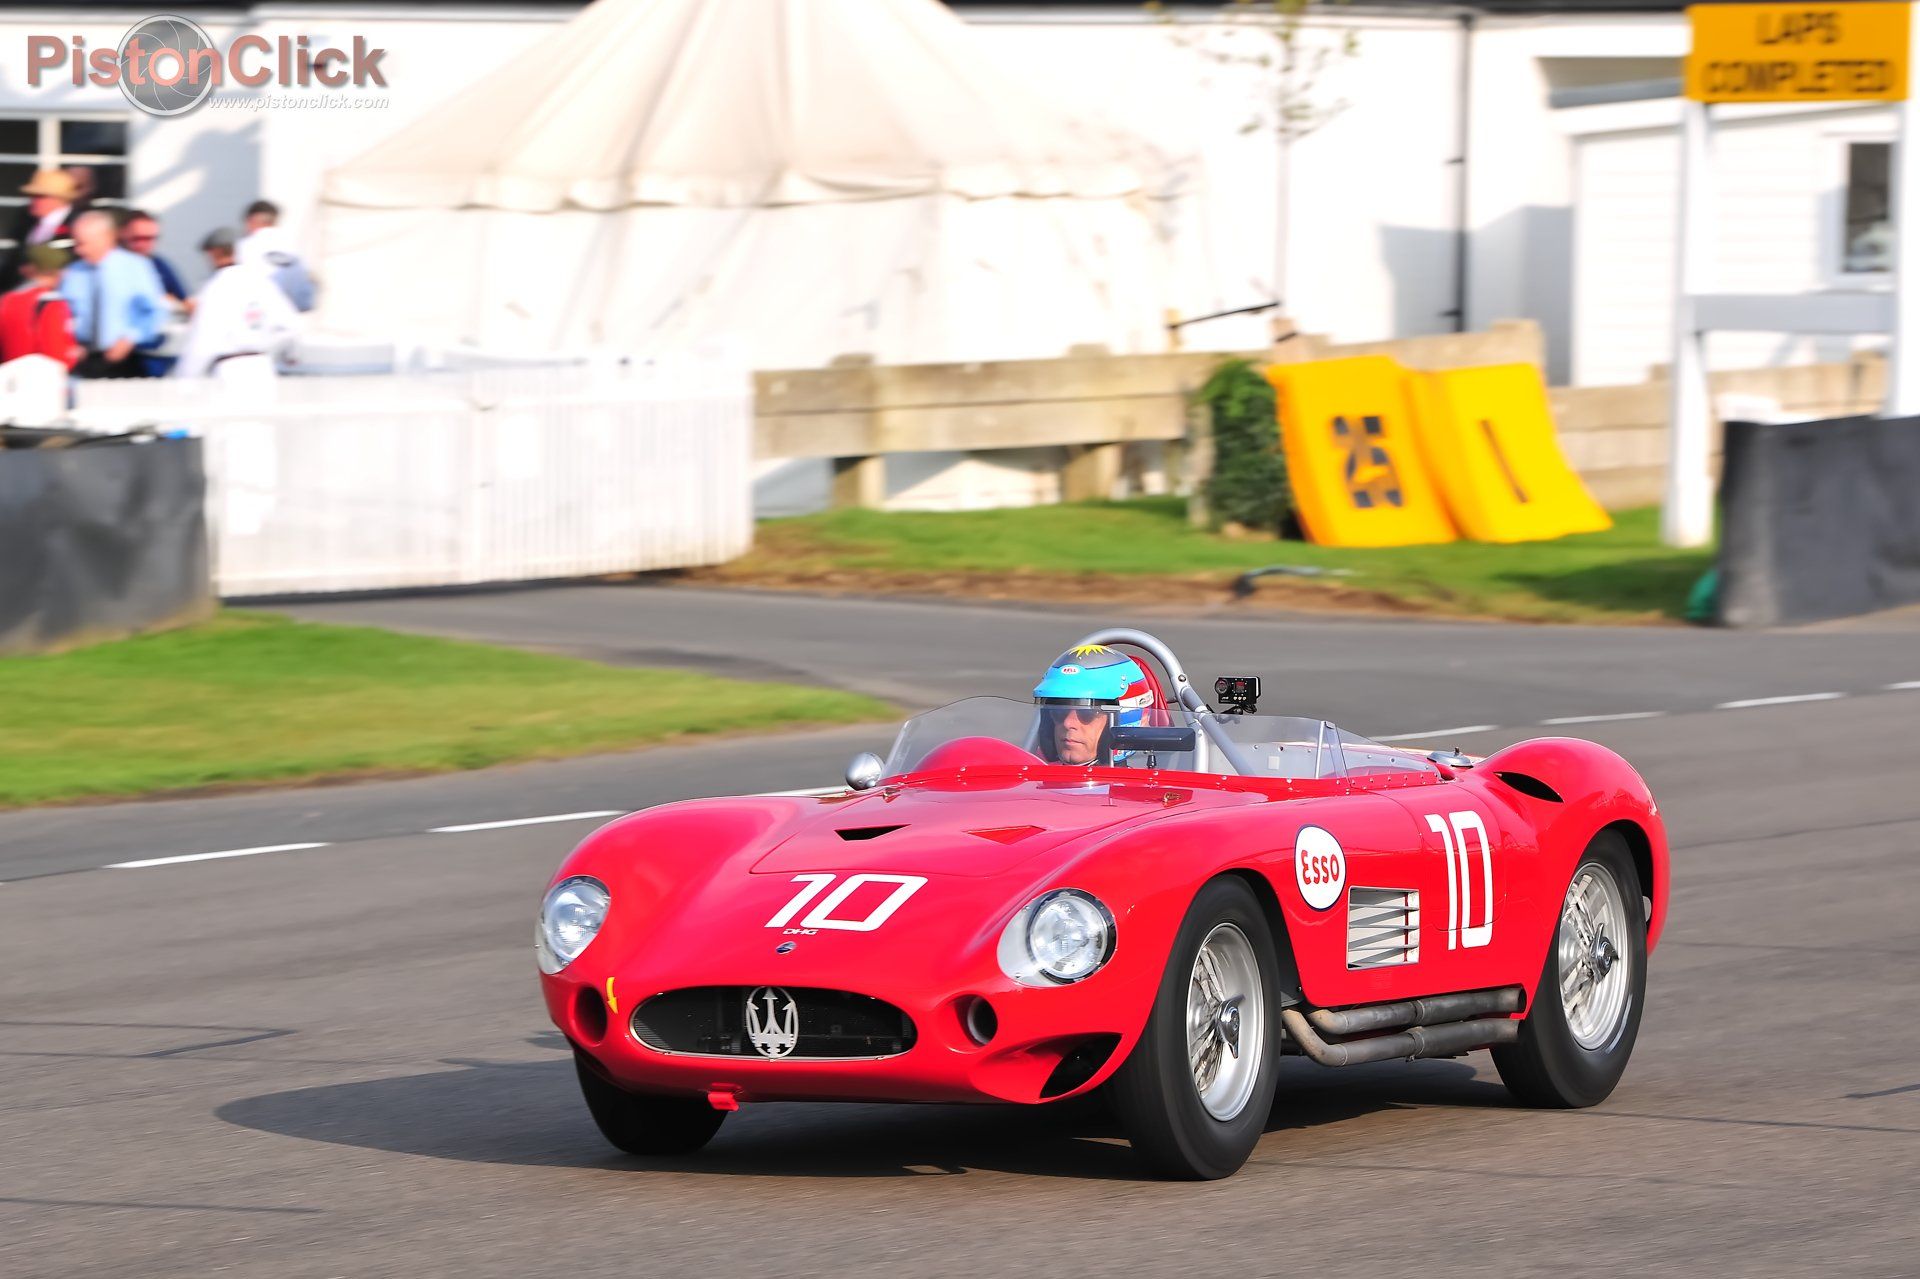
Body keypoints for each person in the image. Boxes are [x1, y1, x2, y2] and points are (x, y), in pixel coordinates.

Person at [172, 226, 300, 381]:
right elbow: (291, 328)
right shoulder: (262, 283)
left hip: (229, 371)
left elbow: (202, 341)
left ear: (215, 253)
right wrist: (271, 352)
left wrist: (184, 380)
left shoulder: (215, 288)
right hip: (263, 370)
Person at [59, 209, 166, 378]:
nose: (78, 250)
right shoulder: (74, 273)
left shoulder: (136, 267)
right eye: (76, 243)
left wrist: (131, 338)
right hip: (83, 359)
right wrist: (69, 343)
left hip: (126, 359)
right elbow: (63, 314)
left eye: (83, 243)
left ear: (106, 238)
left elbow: (156, 312)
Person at [1031, 645, 1155, 765]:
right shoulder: (1029, 783)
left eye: (1087, 713)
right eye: (1058, 711)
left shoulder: (1140, 787)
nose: (1068, 723)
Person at [118, 209, 189, 376]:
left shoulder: (160, 265)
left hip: (157, 354)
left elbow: (184, 302)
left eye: (151, 238)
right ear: (123, 235)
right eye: (137, 238)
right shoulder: (113, 264)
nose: (144, 244)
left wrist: (171, 303)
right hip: (124, 355)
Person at [0, 244, 80, 368]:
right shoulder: (51, 302)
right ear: (59, 272)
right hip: (42, 379)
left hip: (9, 378)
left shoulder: (7, 300)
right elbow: (57, 354)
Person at [236, 199, 317, 312]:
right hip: (288, 322)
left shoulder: (244, 247)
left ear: (251, 220)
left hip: (254, 319)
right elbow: (307, 298)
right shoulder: (294, 248)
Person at [3, 169, 80, 284]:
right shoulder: (27, 222)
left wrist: (42, 271)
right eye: (32, 196)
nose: (33, 200)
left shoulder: (77, 224)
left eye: (40, 196)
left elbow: (74, 260)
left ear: (58, 198)